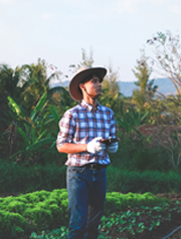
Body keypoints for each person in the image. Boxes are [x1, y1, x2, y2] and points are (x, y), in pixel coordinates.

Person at [56, 66, 118, 239]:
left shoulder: (108, 114)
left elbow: (111, 139)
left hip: (100, 172)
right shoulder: (72, 115)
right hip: (79, 173)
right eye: (94, 82)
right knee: (78, 223)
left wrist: (112, 147)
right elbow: (61, 146)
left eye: (100, 82)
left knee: (93, 224)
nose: (99, 85)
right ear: (82, 86)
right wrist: (86, 147)